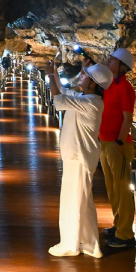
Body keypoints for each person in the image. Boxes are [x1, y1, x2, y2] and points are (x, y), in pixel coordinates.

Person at [45, 60, 113, 258]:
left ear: (93, 84)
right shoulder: (86, 99)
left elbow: (58, 100)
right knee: (83, 200)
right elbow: (63, 92)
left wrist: (50, 75)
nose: (80, 76)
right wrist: (55, 74)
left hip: (79, 157)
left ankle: (70, 244)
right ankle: (90, 243)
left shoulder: (90, 103)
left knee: (72, 200)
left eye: (85, 76)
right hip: (77, 156)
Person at [99, 47, 136, 249]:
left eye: (113, 60)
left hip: (117, 144)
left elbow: (127, 117)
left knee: (122, 189)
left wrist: (120, 142)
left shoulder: (125, 88)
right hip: (104, 141)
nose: (108, 61)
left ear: (122, 67)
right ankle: (118, 224)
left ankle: (125, 235)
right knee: (112, 188)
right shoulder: (108, 85)